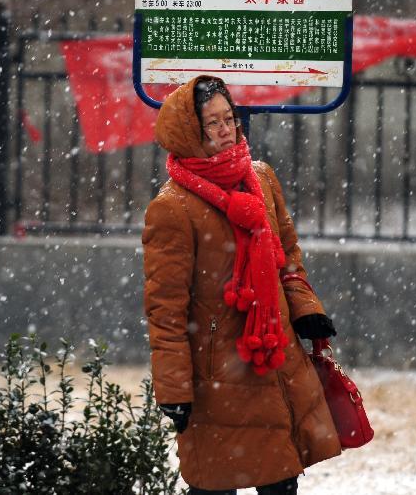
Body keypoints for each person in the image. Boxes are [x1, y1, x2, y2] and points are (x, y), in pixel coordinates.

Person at [142, 76, 341, 495]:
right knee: (215, 485)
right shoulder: (172, 208)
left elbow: (286, 255)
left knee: (281, 481)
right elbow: (166, 308)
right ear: (189, 132)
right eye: (211, 123)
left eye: (229, 118)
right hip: (217, 378)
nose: (225, 129)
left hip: (271, 357)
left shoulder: (261, 178)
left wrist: (306, 309)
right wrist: (173, 387)